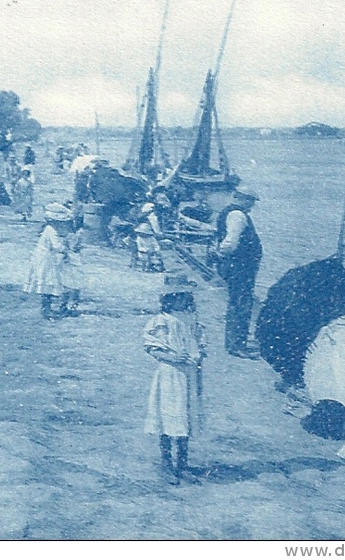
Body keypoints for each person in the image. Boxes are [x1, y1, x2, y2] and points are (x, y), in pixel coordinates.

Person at [144, 291, 205, 485]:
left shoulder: (191, 321)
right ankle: (167, 463)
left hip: (189, 376)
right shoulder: (160, 321)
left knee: (185, 419)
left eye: (186, 297)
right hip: (169, 375)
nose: (184, 301)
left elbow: (200, 348)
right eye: (179, 298)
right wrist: (171, 357)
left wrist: (199, 368)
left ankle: (182, 463)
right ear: (168, 301)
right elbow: (152, 348)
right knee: (169, 417)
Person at [214, 187, 262, 359]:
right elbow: (230, 243)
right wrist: (222, 254)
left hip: (236, 267)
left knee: (237, 302)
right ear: (244, 199)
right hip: (240, 268)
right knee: (241, 304)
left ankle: (235, 342)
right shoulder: (238, 215)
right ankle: (237, 345)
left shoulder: (229, 212)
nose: (252, 206)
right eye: (251, 202)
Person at [24, 203, 72, 320]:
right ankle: (46, 309)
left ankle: (46, 307)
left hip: (44, 257)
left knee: (48, 281)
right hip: (45, 258)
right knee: (48, 281)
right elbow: (56, 246)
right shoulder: (51, 230)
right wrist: (66, 249)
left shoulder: (48, 229)